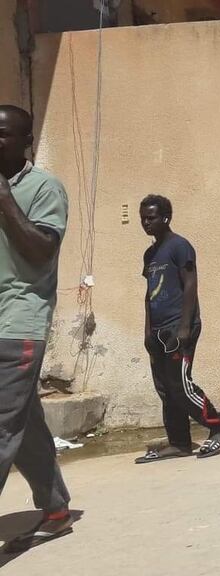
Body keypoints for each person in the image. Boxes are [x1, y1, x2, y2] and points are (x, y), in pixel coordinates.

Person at [0, 104, 73, 552]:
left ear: (25, 141)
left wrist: (5, 199)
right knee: (23, 423)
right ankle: (56, 508)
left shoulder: (45, 188)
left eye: (2, 135)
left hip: (19, 322)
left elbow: (42, 250)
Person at [136, 195, 220, 463]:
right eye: (142, 217)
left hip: (180, 326)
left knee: (181, 385)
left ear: (165, 218)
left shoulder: (180, 247)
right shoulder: (150, 254)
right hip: (158, 330)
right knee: (165, 388)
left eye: (151, 217)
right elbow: (149, 294)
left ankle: (217, 425)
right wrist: (147, 332)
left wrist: (185, 326)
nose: (146, 222)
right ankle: (179, 442)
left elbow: (190, 285)